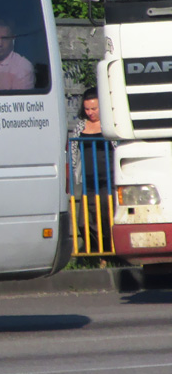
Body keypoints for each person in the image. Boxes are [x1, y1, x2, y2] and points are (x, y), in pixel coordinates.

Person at [70, 87, 115, 255]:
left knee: (106, 217)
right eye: (87, 109)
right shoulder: (81, 126)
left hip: (108, 180)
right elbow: (73, 149)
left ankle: (110, 253)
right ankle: (97, 250)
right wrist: (73, 172)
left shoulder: (109, 125)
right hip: (88, 181)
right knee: (84, 222)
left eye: (94, 109)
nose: (90, 113)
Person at [0, 18, 34, 90]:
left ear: (13, 39)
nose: (0, 43)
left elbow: (21, 100)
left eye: (5, 38)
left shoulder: (22, 67)